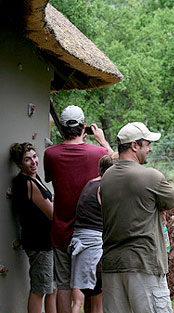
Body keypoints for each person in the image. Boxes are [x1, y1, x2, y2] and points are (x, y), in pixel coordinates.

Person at [100, 122, 174, 313]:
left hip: (112, 266)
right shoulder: (151, 177)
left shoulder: (107, 178)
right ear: (135, 146)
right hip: (144, 265)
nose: (150, 149)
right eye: (147, 144)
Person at [43, 105, 113, 313]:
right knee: (93, 287)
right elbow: (120, 165)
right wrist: (103, 141)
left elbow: (51, 180)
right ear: (84, 126)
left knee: (64, 285)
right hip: (92, 232)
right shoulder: (99, 153)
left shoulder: (50, 154)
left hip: (61, 231)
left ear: (61, 129)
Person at [10, 142, 57, 313]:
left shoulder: (34, 178)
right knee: (39, 289)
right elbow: (52, 213)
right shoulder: (27, 183)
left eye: (35, 157)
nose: (33, 162)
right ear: (19, 163)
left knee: (51, 287)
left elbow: (50, 200)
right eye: (27, 159)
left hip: (46, 243)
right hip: (39, 244)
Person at [69, 154, 117, 313]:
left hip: (82, 248)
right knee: (98, 304)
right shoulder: (104, 187)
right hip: (93, 250)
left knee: (89, 299)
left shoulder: (91, 183)